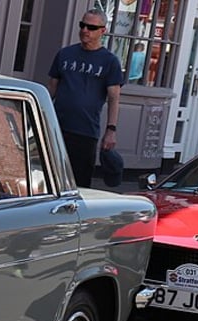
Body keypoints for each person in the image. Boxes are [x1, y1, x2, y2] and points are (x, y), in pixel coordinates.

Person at [48, 9, 124, 188]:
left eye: (91, 27)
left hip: (85, 131)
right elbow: (51, 88)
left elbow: (114, 98)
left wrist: (111, 130)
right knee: (50, 178)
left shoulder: (110, 61)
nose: (85, 30)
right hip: (56, 126)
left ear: (102, 31)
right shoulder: (65, 54)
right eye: (82, 25)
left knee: (78, 183)